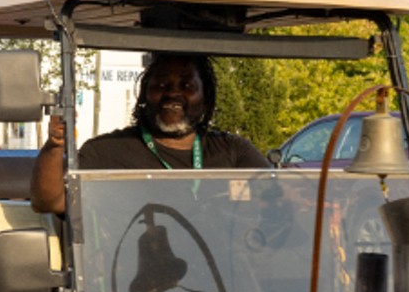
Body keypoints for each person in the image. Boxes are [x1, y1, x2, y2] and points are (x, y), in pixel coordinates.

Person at [31, 54, 267, 215]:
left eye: (187, 86)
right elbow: (50, 201)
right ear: (144, 95)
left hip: (227, 284)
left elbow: (280, 201)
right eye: (161, 85)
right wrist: (55, 145)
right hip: (132, 284)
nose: (173, 93)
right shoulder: (106, 152)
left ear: (205, 99)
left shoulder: (234, 152)